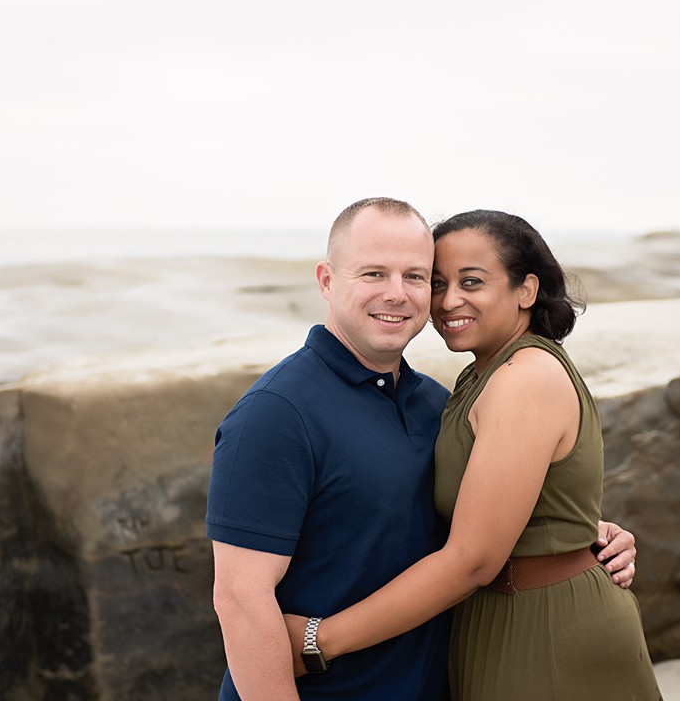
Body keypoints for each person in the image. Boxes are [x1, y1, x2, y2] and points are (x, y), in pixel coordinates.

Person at [207, 199, 638, 700]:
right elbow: (240, 598)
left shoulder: (435, 403)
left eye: (416, 277)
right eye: (373, 273)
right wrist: (313, 645)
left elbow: (481, 522)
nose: (398, 294)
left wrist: (585, 536)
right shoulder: (276, 413)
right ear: (326, 280)